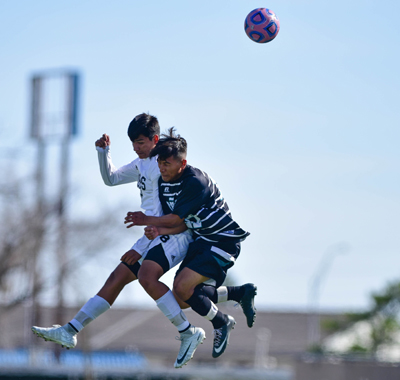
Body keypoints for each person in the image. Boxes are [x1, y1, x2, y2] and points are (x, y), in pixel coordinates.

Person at [31, 113, 205, 368]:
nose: (136, 147)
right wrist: (104, 153)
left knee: (147, 277)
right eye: (133, 142)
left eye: (141, 142)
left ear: (155, 139)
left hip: (170, 234)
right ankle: (70, 330)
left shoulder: (163, 163)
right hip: (150, 235)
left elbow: (169, 208)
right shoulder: (141, 164)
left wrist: (146, 242)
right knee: (116, 278)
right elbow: (111, 178)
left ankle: (187, 330)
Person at [124, 127, 256, 359]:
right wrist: (158, 229)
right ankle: (239, 293)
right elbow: (183, 223)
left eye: (167, 163)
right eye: (160, 163)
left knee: (184, 289)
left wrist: (145, 219)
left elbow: (176, 218)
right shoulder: (165, 181)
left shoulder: (196, 181)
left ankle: (221, 321)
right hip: (201, 239)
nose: (162, 168)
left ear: (182, 165)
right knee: (182, 299)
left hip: (222, 241)